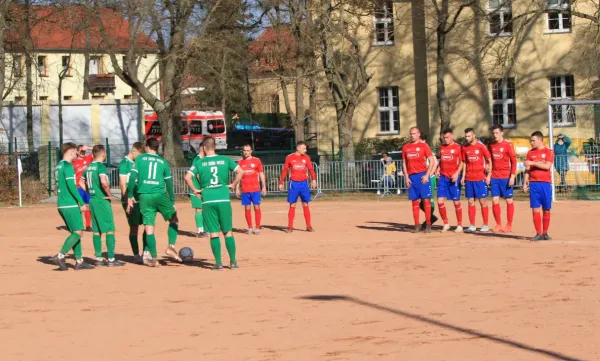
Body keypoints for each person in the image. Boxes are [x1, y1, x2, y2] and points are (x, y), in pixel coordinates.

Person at [184, 136, 244, 270]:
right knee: (228, 231)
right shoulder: (225, 160)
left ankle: (218, 263)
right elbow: (240, 171)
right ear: (215, 147)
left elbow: (187, 177)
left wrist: (195, 190)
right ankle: (233, 262)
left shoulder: (200, 162)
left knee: (214, 232)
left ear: (204, 148)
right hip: (223, 198)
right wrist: (233, 184)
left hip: (208, 199)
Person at [126, 138, 180, 267]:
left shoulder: (140, 159)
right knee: (174, 219)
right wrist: (172, 200)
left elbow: (132, 177)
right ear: (157, 147)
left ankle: (154, 258)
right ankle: (170, 246)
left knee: (149, 228)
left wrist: (129, 195)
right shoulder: (163, 162)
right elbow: (168, 183)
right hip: (160, 195)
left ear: (147, 146)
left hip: (144, 196)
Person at [51, 142, 95, 271]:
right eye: (76, 152)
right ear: (71, 152)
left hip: (61, 204)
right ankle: (60, 255)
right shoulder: (68, 166)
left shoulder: (59, 166)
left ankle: (79, 261)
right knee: (78, 232)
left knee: (76, 232)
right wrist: (81, 203)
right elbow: (71, 186)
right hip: (70, 203)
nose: (77, 154)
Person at [81, 145, 125, 267]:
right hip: (101, 200)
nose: (105, 155)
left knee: (96, 230)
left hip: (93, 201)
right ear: (102, 154)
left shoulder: (89, 167)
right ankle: (111, 259)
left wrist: (89, 192)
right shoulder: (100, 167)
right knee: (110, 229)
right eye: (105, 153)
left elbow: (80, 181)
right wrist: (109, 195)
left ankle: (99, 258)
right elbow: (104, 182)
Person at [401, 127, 437, 233]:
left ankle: (428, 224)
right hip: (412, 177)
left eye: (414, 133)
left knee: (426, 200)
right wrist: (406, 177)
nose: (412, 135)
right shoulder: (406, 147)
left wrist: (427, 175)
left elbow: (432, 161)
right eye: (411, 133)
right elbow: (404, 163)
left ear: (419, 134)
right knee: (414, 201)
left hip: (422, 176)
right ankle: (416, 224)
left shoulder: (424, 146)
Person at [118, 142, 148, 264]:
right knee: (134, 227)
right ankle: (136, 254)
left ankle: (146, 252)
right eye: (140, 155)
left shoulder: (140, 162)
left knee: (148, 225)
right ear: (134, 152)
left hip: (143, 199)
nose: (141, 158)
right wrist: (127, 200)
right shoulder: (124, 163)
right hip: (131, 201)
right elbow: (123, 183)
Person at [278, 141, 317, 233]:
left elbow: (311, 169)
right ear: (298, 148)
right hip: (294, 184)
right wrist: (281, 183)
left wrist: (314, 179)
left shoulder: (306, 157)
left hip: (304, 184)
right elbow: (285, 171)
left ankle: (308, 226)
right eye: (304, 148)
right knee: (292, 204)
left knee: (305, 204)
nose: (305, 150)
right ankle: (290, 226)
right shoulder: (289, 157)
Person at [523, 131, 554, 241]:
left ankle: (545, 233)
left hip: (545, 184)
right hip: (534, 184)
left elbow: (547, 166)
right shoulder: (530, 153)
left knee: (546, 209)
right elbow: (527, 169)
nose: (531, 143)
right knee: (535, 209)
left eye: (533, 140)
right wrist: (525, 182)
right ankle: (538, 233)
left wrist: (533, 163)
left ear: (540, 140)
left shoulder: (549, 151)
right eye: (531, 141)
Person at [461, 127, 492, 233]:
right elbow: (464, 162)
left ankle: (485, 224)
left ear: (474, 135)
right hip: (469, 178)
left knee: (482, 201)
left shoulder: (481, 147)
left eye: (469, 136)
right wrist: (463, 176)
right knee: (470, 201)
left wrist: (488, 175)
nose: (467, 138)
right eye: (465, 136)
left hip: (480, 178)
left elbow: (489, 159)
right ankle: (472, 225)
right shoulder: (465, 148)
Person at [489, 124, 517, 233]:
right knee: (494, 200)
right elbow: (491, 160)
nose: (495, 135)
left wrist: (512, 176)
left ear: (502, 133)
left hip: (506, 177)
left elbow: (514, 161)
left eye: (497, 133)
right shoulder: (492, 145)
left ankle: (509, 224)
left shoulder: (508, 145)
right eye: (493, 133)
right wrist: (489, 171)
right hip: (495, 177)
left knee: (508, 200)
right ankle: (498, 224)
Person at [436, 128, 464, 233]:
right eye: (444, 137)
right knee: (439, 201)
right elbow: (441, 161)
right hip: (443, 177)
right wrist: (438, 169)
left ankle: (460, 224)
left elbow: (462, 162)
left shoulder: (458, 147)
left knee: (456, 201)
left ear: (452, 136)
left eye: (447, 137)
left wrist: (457, 173)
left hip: (453, 178)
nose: (446, 139)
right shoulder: (442, 147)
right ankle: (446, 223)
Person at [235, 144, 267, 235]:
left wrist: (264, 186)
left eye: (248, 150)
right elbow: (239, 176)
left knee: (257, 207)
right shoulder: (240, 162)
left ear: (251, 151)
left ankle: (257, 227)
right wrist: (237, 188)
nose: (246, 152)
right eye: (244, 150)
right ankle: (249, 227)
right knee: (247, 208)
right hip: (245, 189)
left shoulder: (257, 161)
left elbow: (261, 174)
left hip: (255, 189)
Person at [72, 144, 93, 231]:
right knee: (79, 206)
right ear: (77, 152)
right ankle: (78, 224)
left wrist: (88, 147)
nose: (83, 152)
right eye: (81, 151)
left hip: (87, 186)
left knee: (88, 206)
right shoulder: (73, 163)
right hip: (78, 187)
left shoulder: (88, 159)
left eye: (84, 151)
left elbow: (99, 150)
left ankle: (88, 226)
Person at [419, 134, 438, 227]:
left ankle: (429, 220)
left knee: (429, 198)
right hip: (422, 177)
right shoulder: (419, 150)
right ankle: (430, 217)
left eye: (421, 140)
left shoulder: (429, 151)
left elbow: (435, 163)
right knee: (422, 202)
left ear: (424, 141)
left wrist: (429, 175)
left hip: (430, 177)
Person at [189, 144, 207, 237]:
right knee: (199, 209)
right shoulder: (197, 160)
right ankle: (200, 231)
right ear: (202, 148)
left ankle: (205, 228)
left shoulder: (205, 159)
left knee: (204, 209)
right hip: (197, 188)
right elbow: (197, 175)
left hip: (203, 188)